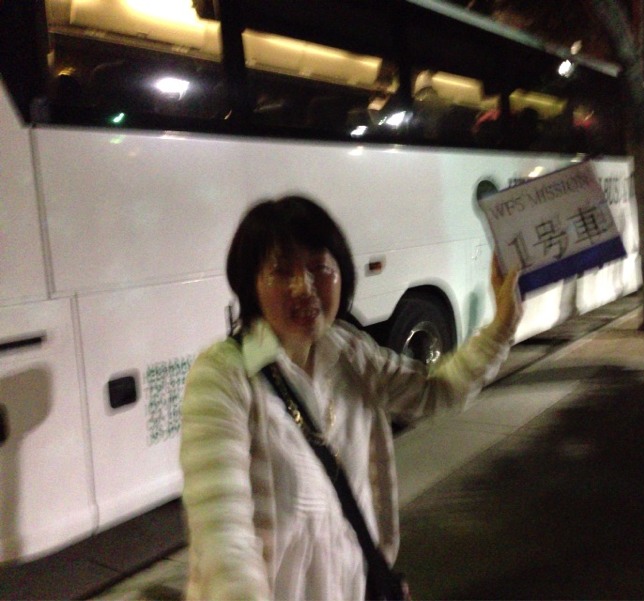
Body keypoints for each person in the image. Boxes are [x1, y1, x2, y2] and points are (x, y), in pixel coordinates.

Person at [179, 195, 522, 601]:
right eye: (281, 271)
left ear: (341, 274)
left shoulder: (350, 353)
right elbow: (223, 540)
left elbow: (435, 391)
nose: (303, 287)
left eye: (319, 268)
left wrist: (502, 325)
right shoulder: (223, 376)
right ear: (250, 284)